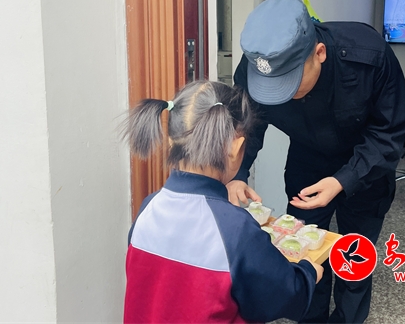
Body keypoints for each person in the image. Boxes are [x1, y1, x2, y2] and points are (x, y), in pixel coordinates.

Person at [229, 0, 405, 323]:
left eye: (289, 82)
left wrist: (344, 180)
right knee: (303, 250)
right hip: (308, 163)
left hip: (367, 167)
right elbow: (247, 126)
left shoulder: (368, 55)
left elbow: (390, 132)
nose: (282, 95)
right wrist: (237, 174)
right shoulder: (254, 68)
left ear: (319, 53)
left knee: (354, 258)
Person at [122, 80, 323, 323]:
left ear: (172, 141)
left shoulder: (148, 207)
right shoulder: (236, 229)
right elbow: (282, 297)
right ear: (236, 147)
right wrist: (308, 272)